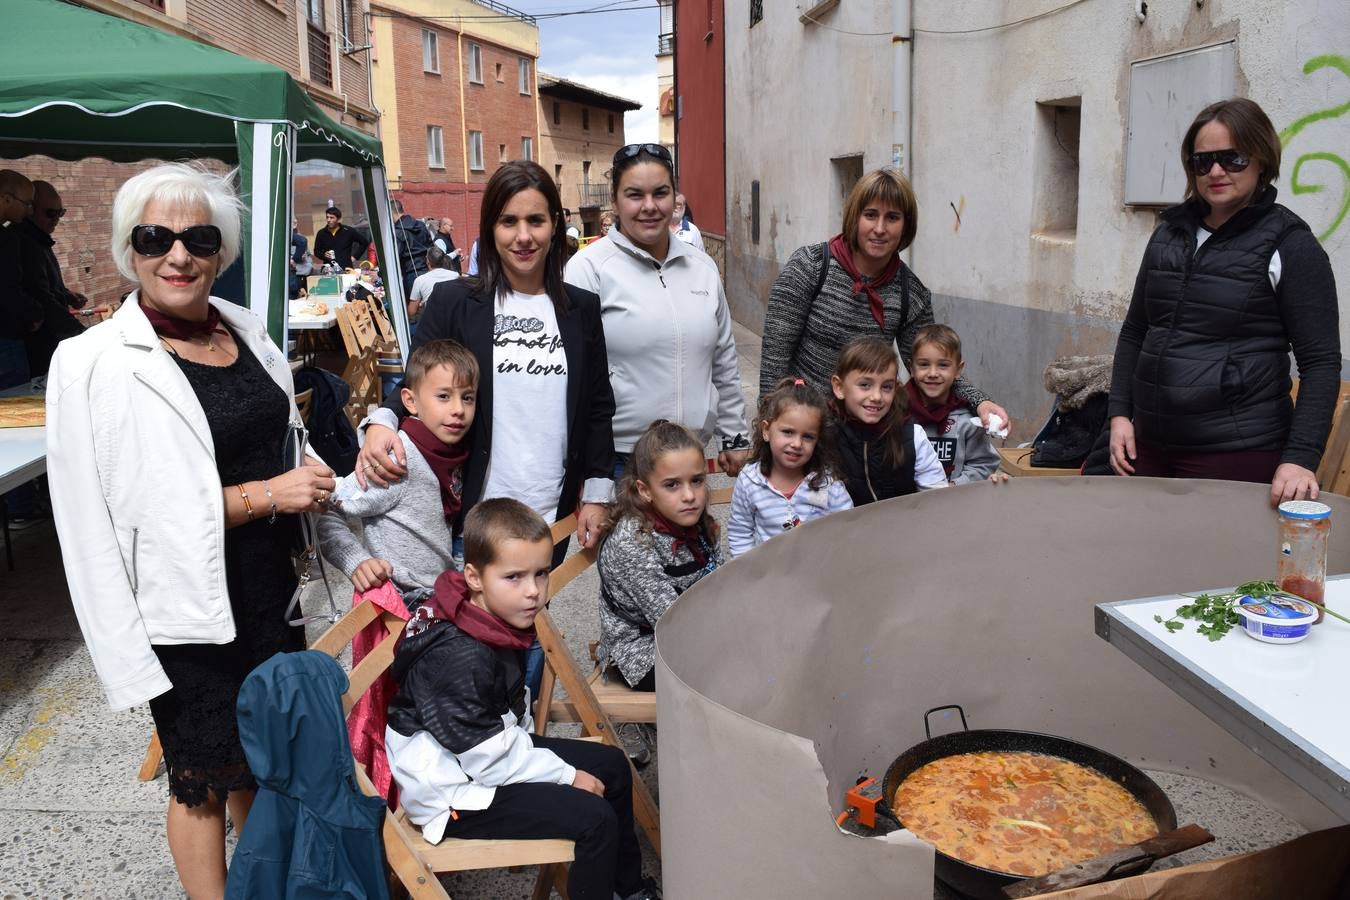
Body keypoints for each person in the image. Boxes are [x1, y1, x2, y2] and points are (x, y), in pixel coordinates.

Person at [45, 162, 337, 899]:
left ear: (221, 251)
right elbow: (88, 523)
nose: (178, 255)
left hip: (272, 592)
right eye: (155, 237)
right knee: (200, 778)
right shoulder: (89, 363)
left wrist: (340, 468)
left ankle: (263, 884)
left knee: (263, 762)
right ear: (128, 249)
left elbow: (284, 438)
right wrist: (269, 494)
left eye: (198, 238)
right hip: (184, 614)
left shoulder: (247, 330)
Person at [355, 160, 617, 698]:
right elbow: (414, 379)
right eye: (508, 221)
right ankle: (469, 751)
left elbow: (596, 407)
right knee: (464, 642)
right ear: (490, 228)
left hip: (549, 508)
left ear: (556, 225)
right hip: (469, 508)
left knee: (527, 632)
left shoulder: (581, 310)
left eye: (537, 221)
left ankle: (519, 743)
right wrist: (379, 423)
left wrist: (597, 491)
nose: (523, 236)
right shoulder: (457, 300)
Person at [385, 498, 660, 900]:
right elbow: (489, 763)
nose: (533, 592)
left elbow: (496, 733)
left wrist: (557, 766)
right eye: (514, 577)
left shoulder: (488, 615)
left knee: (612, 765)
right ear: (474, 577)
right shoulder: (460, 658)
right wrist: (567, 776)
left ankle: (628, 891)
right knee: (595, 818)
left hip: (487, 747)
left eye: (541, 573)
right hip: (454, 792)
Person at [1108, 98, 1340, 505]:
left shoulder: (1291, 244)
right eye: (1203, 161)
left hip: (1237, 451)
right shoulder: (1169, 234)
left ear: (1261, 160)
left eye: (1232, 158)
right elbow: (1135, 331)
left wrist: (1301, 457)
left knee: (1216, 568)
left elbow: (1320, 362)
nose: (1215, 171)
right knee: (1143, 560)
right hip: (1149, 446)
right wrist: (1120, 414)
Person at [760, 168, 1010, 433]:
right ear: (855, 217)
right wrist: (768, 433)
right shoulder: (810, 266)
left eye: (892, 217)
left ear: (905, 226)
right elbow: (774, 361)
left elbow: (932, 363)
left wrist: (980, 401)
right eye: (870, 215)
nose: (879, 228)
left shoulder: (910, 294)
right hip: (805, 433)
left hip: (866, 437)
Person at [566, 143, 750, 475]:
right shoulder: (588, 269)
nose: (649, 206)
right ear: (615, 199)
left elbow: (723, 359)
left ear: (675, 197)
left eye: (660, 193)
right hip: (620, 461)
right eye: (635, 194)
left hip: (689, 456)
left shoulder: (702, 267)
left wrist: (734, 435)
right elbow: (574, 377)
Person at [596, 420, 722, 763]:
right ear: (645, 490)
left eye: (697, 481)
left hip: (692, 632)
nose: (689, 495)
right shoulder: (633, 543)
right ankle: (711, 765)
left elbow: (720, 586)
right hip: (640, 652)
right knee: (734, 677)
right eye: (672, 485)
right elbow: (675, 625)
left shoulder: (695, 524)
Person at [319, 340, 476, 601]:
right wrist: (355, 560)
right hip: (405, 603)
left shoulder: (451, 451)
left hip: (439, 594)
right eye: (444, 396)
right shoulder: (399, 459)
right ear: (410, 402)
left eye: (467, 397)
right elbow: (325, 505)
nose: (458, 409)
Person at [727, 378, 852, 557]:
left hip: (817, 574)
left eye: (808, 437)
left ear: (818, 441)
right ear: (766, 430)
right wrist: (747, 575)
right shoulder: (750, 481)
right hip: (769, 576)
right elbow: (740, 534)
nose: (796, 443)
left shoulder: (828, 483)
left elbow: (847, 529)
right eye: (788, 432)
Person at [830, 335, 946, 505]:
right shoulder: (826, 435)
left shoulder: (911, 435)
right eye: (865, 385)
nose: (877, 397)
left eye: (886, 387)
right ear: (839, 387)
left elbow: (937, 495)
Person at [906, 325, 1007, 485]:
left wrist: (955, 487)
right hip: (907, 505)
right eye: (924, 364)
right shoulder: (898, 414)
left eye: (943, 365)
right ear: (911, 367)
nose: (933, 373)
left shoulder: (969, 420)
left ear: (958, 369)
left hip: (955, 503)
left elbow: (983, 464)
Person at [0, 170, 43, 389]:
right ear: (6, 199)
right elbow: (7, 289)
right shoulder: (5, 239)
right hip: (5, 340)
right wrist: (35, 312)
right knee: (14, 409)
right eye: (27, 203)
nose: (29, 211)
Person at [391, 198, 433, 299]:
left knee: (413, 307)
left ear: (391, 212)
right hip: (427, 270)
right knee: (427, 302)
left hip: (410, 273)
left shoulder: (398, 231)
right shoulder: (421, 225)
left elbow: (395, 256)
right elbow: (431, 246)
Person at [406, 245, 459, 321]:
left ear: (427, 261)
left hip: (433, 323)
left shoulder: (420, 280)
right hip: (453, 319)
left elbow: (411, 311)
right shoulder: (455, 275)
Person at [313, 205, 368, 270]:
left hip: (346, 268)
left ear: (338, 219)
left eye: (331, 218)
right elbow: (316, 251)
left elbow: (364, 242)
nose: (328, 220)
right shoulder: (321, 233)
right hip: (329, 269)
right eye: (327, 217)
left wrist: (355, 257)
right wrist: (323, 255)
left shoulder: (348, 231)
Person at [288, 216, 310, 299]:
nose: (295, 222)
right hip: (291, 274)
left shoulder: (300, 237)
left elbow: (308, 257)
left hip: (299, 275)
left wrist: (301, 258)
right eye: (292, 220)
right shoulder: (284, 237)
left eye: (295, 221)